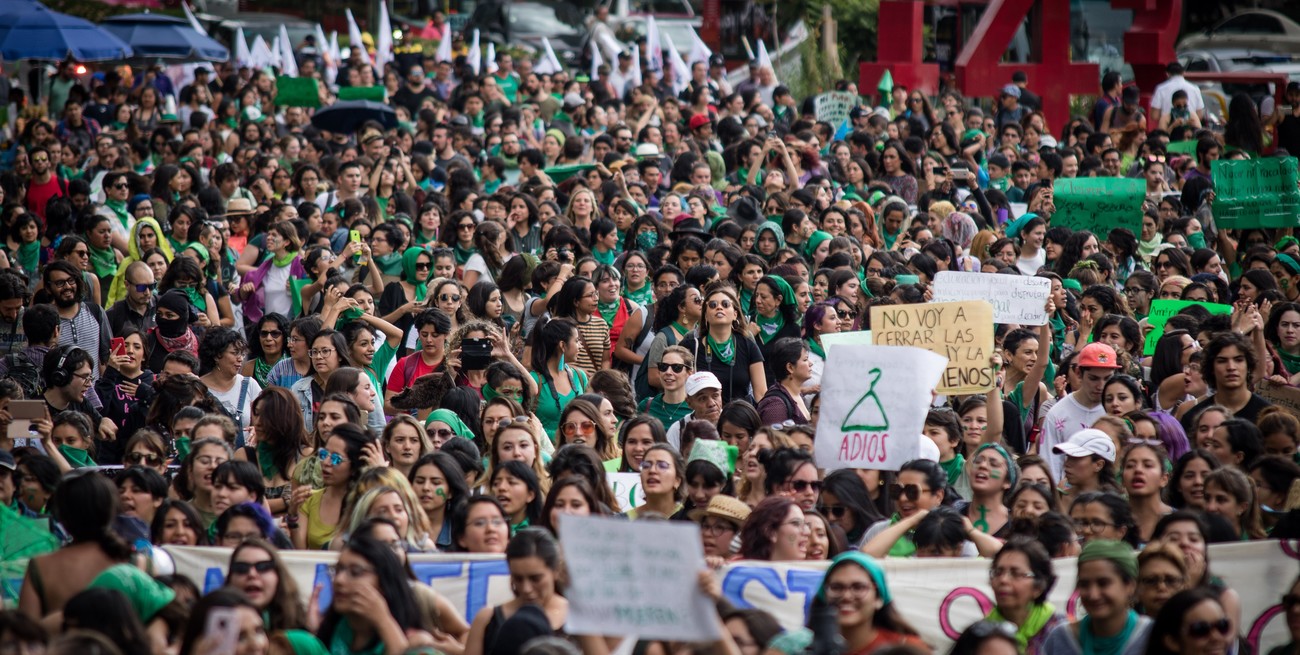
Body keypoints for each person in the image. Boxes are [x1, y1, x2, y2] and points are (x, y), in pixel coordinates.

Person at [463, 528, 568, 655]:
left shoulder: (577, 617)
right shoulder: (487, 619)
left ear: (555, 571)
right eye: (518, 579)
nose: (526, 588)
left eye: (535, 579)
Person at [1041, 540, 1152, 654]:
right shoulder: (1060, 638)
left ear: (1130, 585)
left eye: (1103, 583)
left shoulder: (1151, 636)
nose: (1093, 595)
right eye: (1084, 584)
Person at [814, 551, 928, 652]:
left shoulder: (905, 647)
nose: (846, 596)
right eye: (836, 587)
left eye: (858, 587)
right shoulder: (806, 647)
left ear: (878, 599)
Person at [1042, 343, 1122, 481]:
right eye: (1093, 378)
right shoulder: (1057, 414)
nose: (1101, 386)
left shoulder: (1117, 410)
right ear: (1079, 373)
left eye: (1107, 378)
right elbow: (1050, 466)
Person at [984, 538, 1065, 655]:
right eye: (998, 572)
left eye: (1015, 574)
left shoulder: (1061, 631)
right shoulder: (982, 635)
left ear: (1038, 587)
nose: (1003, 580)